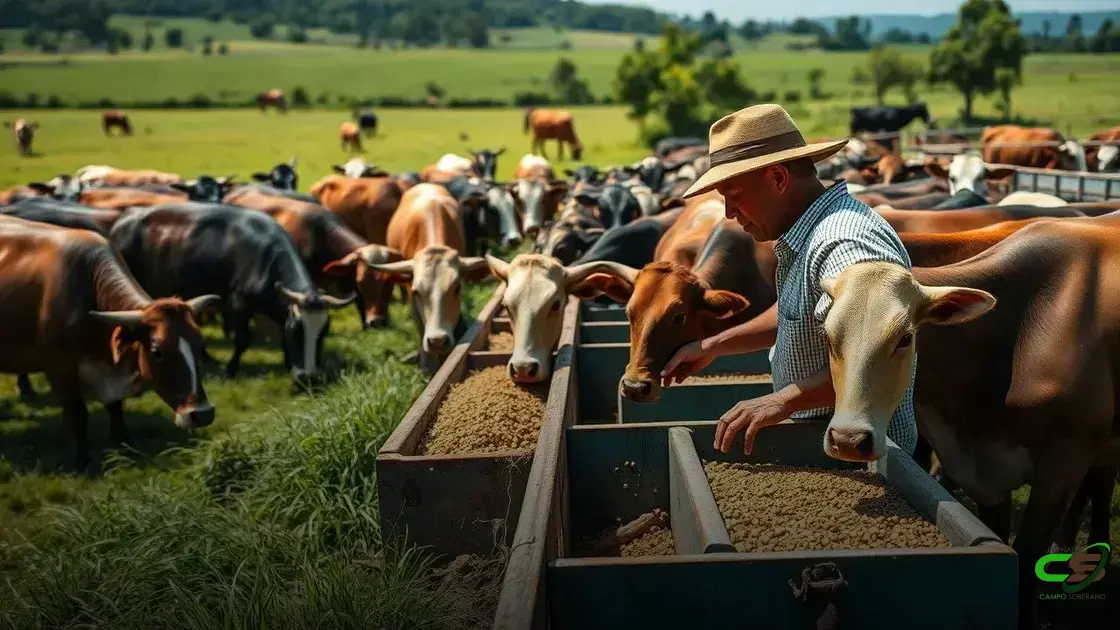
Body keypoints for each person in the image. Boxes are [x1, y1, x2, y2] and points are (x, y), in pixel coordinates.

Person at [661, 103, 918, 459]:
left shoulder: (841, 243)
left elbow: (871, 357)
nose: (729, 213)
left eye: (734, 196)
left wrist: (781, 401)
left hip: (858, 452)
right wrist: (712, 346)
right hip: (832, 444)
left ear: (779, 179)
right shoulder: (811, 234)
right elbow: (795, 313)